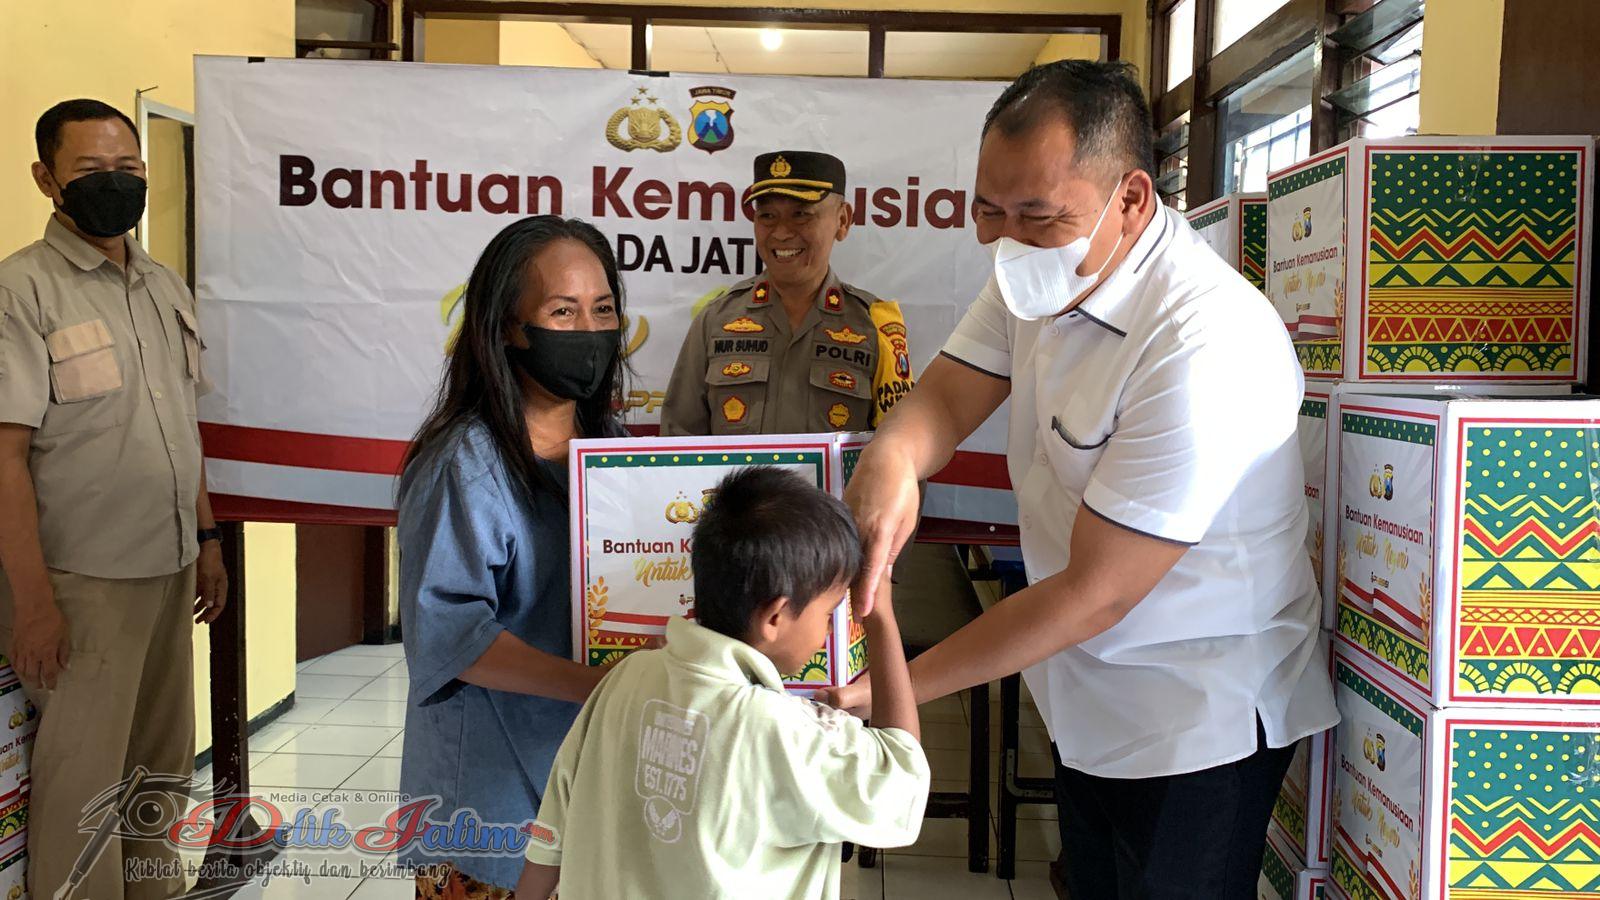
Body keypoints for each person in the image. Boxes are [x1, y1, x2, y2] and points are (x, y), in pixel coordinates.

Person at [828, 61, 1338, 899]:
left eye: (1037, 217)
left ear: (1130, 198)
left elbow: (1095, 594)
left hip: (1195, 716)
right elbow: (948, 396)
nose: (1008, 241)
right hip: (1083, 691)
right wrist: (892, 459)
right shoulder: (1043, 269)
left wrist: (891, 687)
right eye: (988, 212)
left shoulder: (1204, 342)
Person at [0, 98, 228, 900]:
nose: (115, 183)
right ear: (46, 179)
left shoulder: (163, 285)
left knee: (158, 771)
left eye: (128, 169)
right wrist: (33, 604)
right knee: (84, 787)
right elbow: (5, 458)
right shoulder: (22, 291)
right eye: (92, 170)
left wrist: (208, 539)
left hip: (168, 567)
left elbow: (181, 424)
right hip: (80, 583)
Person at [516, 467, 929, 899]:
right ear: (775, 616)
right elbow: (902, 780)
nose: (829, 630)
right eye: (829, 613)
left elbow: (554, 826)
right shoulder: (787, 733)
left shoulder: (625, 677)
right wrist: (881, 616)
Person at [397, 215, 630, 896]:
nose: (589, 331)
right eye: (563, 311)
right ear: (507, 328)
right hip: (487, 807)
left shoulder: (616, 453)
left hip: (585, 782)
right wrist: (598, 685)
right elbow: (449, 634)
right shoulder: (464, 464)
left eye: (603, 309)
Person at [659, 150, 915, 435]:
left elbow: (902, 446)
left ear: (842, 220)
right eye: (767, 216)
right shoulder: (715, 322)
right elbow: (677, 442)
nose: (781, 233)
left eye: (801, 215)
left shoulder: (875, 326)